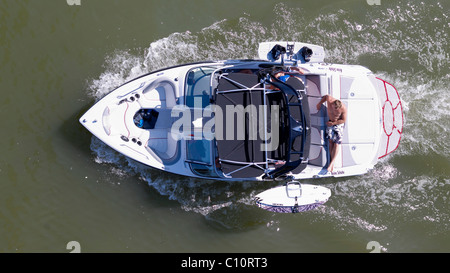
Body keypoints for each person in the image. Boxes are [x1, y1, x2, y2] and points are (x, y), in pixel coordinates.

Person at [316, 95, 347, 172]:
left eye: (336, 109)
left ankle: (331, 163)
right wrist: (319, 103)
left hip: (338, 124)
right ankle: (331, 160)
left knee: (336, 143)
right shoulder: (329, 100)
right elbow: (326, 96)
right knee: (330, 142)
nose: (334, 110)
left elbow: (343, 120)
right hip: (330, 122)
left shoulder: (343, 108)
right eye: (333, 108)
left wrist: (333, 123)